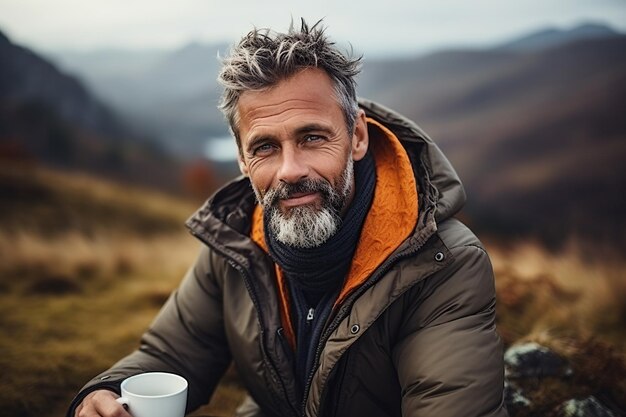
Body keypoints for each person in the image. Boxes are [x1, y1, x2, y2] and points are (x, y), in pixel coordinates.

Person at [69, 19, 507, 417]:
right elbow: (172, 355)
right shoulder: (236, 243)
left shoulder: (443, 263)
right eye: (265, 148)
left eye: (312, 137)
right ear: (242, 160)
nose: (290, 170)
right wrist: (105, 394)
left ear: (356, 136)